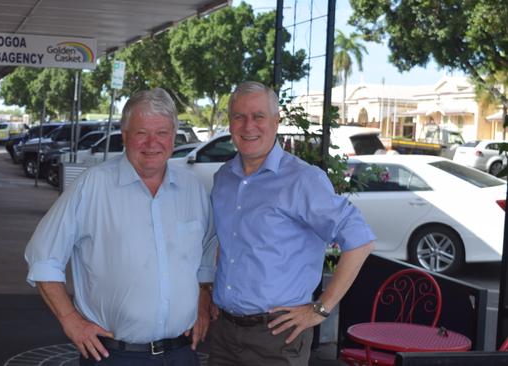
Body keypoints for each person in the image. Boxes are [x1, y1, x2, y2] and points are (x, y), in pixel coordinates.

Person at [25, 88, 216, 366]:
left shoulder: (192, 189)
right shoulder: (94, 185)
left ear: (174, 135)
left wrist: (202, 298)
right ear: (124, 135)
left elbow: (207, 252)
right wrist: (70, 320)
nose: (152, 143)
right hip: (114, 355)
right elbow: (43, 257)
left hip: (181, 354)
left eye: (162, 133)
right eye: (141, 133)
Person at [209, 81, 376, 366]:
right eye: (239, 116)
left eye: (259, 116)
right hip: (224, 332)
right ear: (230, 123)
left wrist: (321, 309)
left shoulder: (302, 180)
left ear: (276, 121)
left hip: (277, 338)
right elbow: (226, 245)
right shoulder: (224, 177)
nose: (248, 125)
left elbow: (360, 239)